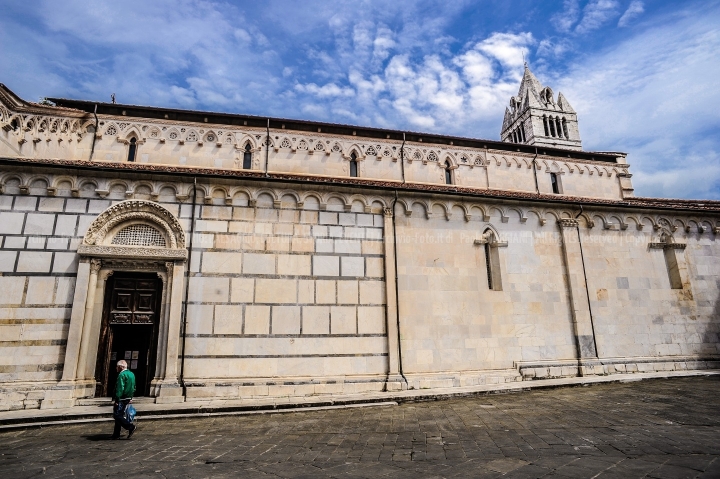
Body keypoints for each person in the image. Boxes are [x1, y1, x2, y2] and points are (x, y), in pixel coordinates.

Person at [111, 359, 137, 439]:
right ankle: (116, 434)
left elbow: (120, 388)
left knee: (117, 415)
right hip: (128, 398)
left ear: (121, 367)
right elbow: (134, 387)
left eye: (117, 367)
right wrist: (131, 397)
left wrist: (116, 399)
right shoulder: (131, 374)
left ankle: (130, 427)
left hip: (122, 398)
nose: (116, 368)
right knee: (120, 415)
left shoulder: (121, 375)